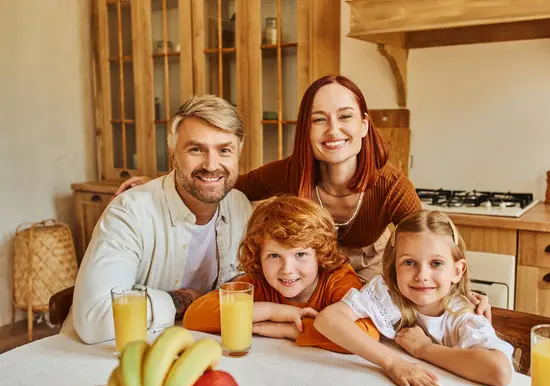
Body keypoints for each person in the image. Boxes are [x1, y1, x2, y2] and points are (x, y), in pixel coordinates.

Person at [115, 75, 491, 319]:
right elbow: (225, 182)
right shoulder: (292, 172)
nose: (333, 130)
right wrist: (164, 184)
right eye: (318, 119)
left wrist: (464, 295)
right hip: (306, 274)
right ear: (306, 130)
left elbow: (432, 243)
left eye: (344, 117)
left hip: (367, 273)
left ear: (363, 124)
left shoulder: (390, 185)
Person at [70, 95, 253, 344]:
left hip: (203, 347)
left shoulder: (240, 206)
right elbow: (94, 319)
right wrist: (182, 300)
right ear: (172, 154)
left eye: (224, 150)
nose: (211, 165)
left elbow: (245, 282)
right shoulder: (129, 212)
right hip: (113, 357)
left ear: (238, 153)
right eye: (196, 149)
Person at [314, 210, 513, 386]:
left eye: (436, 263)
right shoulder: (386, 294)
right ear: (394, 268)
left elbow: (499, 370)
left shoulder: (461, 317)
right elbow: (328, 319)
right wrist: (392, 362)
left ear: (457, 271)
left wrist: (424, 349)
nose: (421, 276)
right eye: (409, 262)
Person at [183, 196, 380, 353]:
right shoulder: (260, 283)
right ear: (258, 256)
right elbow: (194, 316)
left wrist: (289, 330)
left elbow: (366, 334)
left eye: (300, 254)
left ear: (320, 255)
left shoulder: (338, 280)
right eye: (274, 255)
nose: (287, 269)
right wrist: (272, 311)